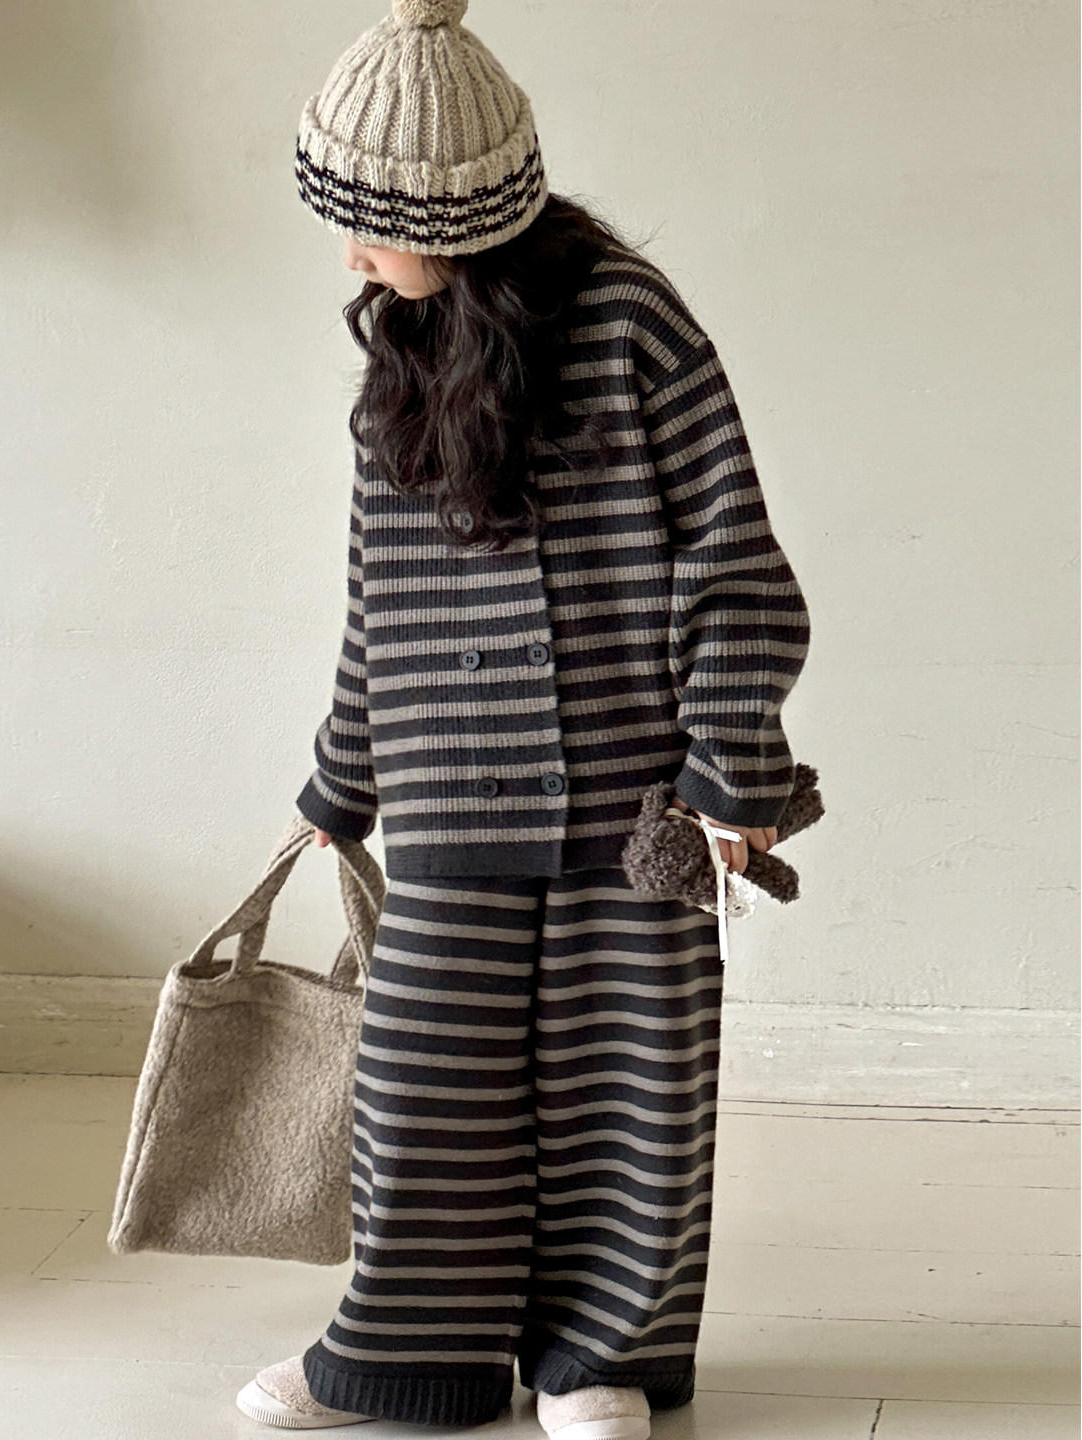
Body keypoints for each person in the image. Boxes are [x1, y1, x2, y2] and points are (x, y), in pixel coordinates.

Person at [234, 1, 810, 1434]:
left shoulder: (634, 327)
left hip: (636, 806)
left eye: (366, 223)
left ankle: (597, 1354)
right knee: (423, 1094)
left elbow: (733, 561)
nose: (348, 256)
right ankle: (405, 1352)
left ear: (452, 215)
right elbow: (376, 597)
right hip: (447, 795)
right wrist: (339, 783)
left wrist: (731, 774)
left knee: (634, 1088)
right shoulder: (401, 357)